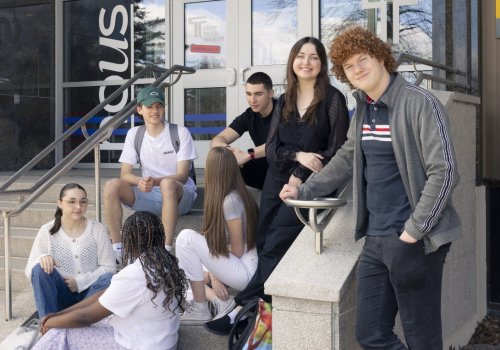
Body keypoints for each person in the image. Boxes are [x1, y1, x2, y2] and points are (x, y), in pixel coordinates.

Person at [280, 26, 461, 350]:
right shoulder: (364, 108)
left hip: (415, 240)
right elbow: (347, 159)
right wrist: (304, 191)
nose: (357, 69)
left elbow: (444, 172)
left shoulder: (420, 103)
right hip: (375, 239)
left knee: (423, 338)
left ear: (380, 57)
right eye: (349, 66)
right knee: (370, 334)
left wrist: (412, 232)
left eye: (362, 59)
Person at [205, 36, 349, 335]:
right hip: (275, 180)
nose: (306, 62)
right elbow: (272, 149)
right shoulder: (284, 99)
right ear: (292, 61)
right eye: (301, 55)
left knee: (275, 245)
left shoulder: (333, 100)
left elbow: (335, 152)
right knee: (264, 242)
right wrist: (297, 155)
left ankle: (241, 310)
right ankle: (263, 313)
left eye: (313, 57)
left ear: (321, 65)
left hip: (311, 184)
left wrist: (298, 174)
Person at [33, 211, 189, 350]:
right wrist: (59, 314)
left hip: (139, 345)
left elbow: (86, 317)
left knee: (61, 332)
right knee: (69, 322)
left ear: (129, 240)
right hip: (162, 341)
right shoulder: (165, 264)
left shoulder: (135, 273)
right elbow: (103, 294)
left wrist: (48, 323)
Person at [103, 86, 198, 261]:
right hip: (150, 193)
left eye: (159, 106)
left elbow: (183, 176)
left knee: (167, 184)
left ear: (164, 108)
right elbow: (125, 174)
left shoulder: (180, 132)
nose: (155, 111)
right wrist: (140, 181)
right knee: (112, 185)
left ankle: (166, 250)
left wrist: (154, 181)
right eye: (149, 107)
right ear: (139, 109)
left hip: (180, 195)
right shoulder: (135, 134)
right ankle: (117, 249)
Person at [175, 146, 258, 324]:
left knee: (185, 238)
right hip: (241, 264)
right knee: (188, 271)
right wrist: (213, 274)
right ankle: (220, 300)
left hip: (246, 270)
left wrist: (215, 274)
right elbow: (213, 243)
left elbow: (236, 249)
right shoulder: (234, 195)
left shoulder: (231, 201)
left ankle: (200, 308)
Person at [25, 183, 115, 319]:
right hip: (60, 296)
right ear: (60, 203)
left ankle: (67, 318)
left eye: (83, 202)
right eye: (71, 202)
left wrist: (80, 282)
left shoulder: (97, 229)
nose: (78, 207)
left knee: (109, 279)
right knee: (39, 268)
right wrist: (42, 258)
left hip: (89, 296)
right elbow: (30, 271)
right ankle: (49, 325)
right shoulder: (47, 230)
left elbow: (110, 268)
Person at [210, 72, 276, 190]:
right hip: (263, 168)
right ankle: (229, 206)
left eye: (258, 94)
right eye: (248, 94)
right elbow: (217, 140)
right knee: (221, 161)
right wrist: (230, 152)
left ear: (271, 93)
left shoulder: (283, 111)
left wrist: (247, 154)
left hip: (285, 166)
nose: (252, 100)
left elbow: (279, 145)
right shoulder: (249, 115)